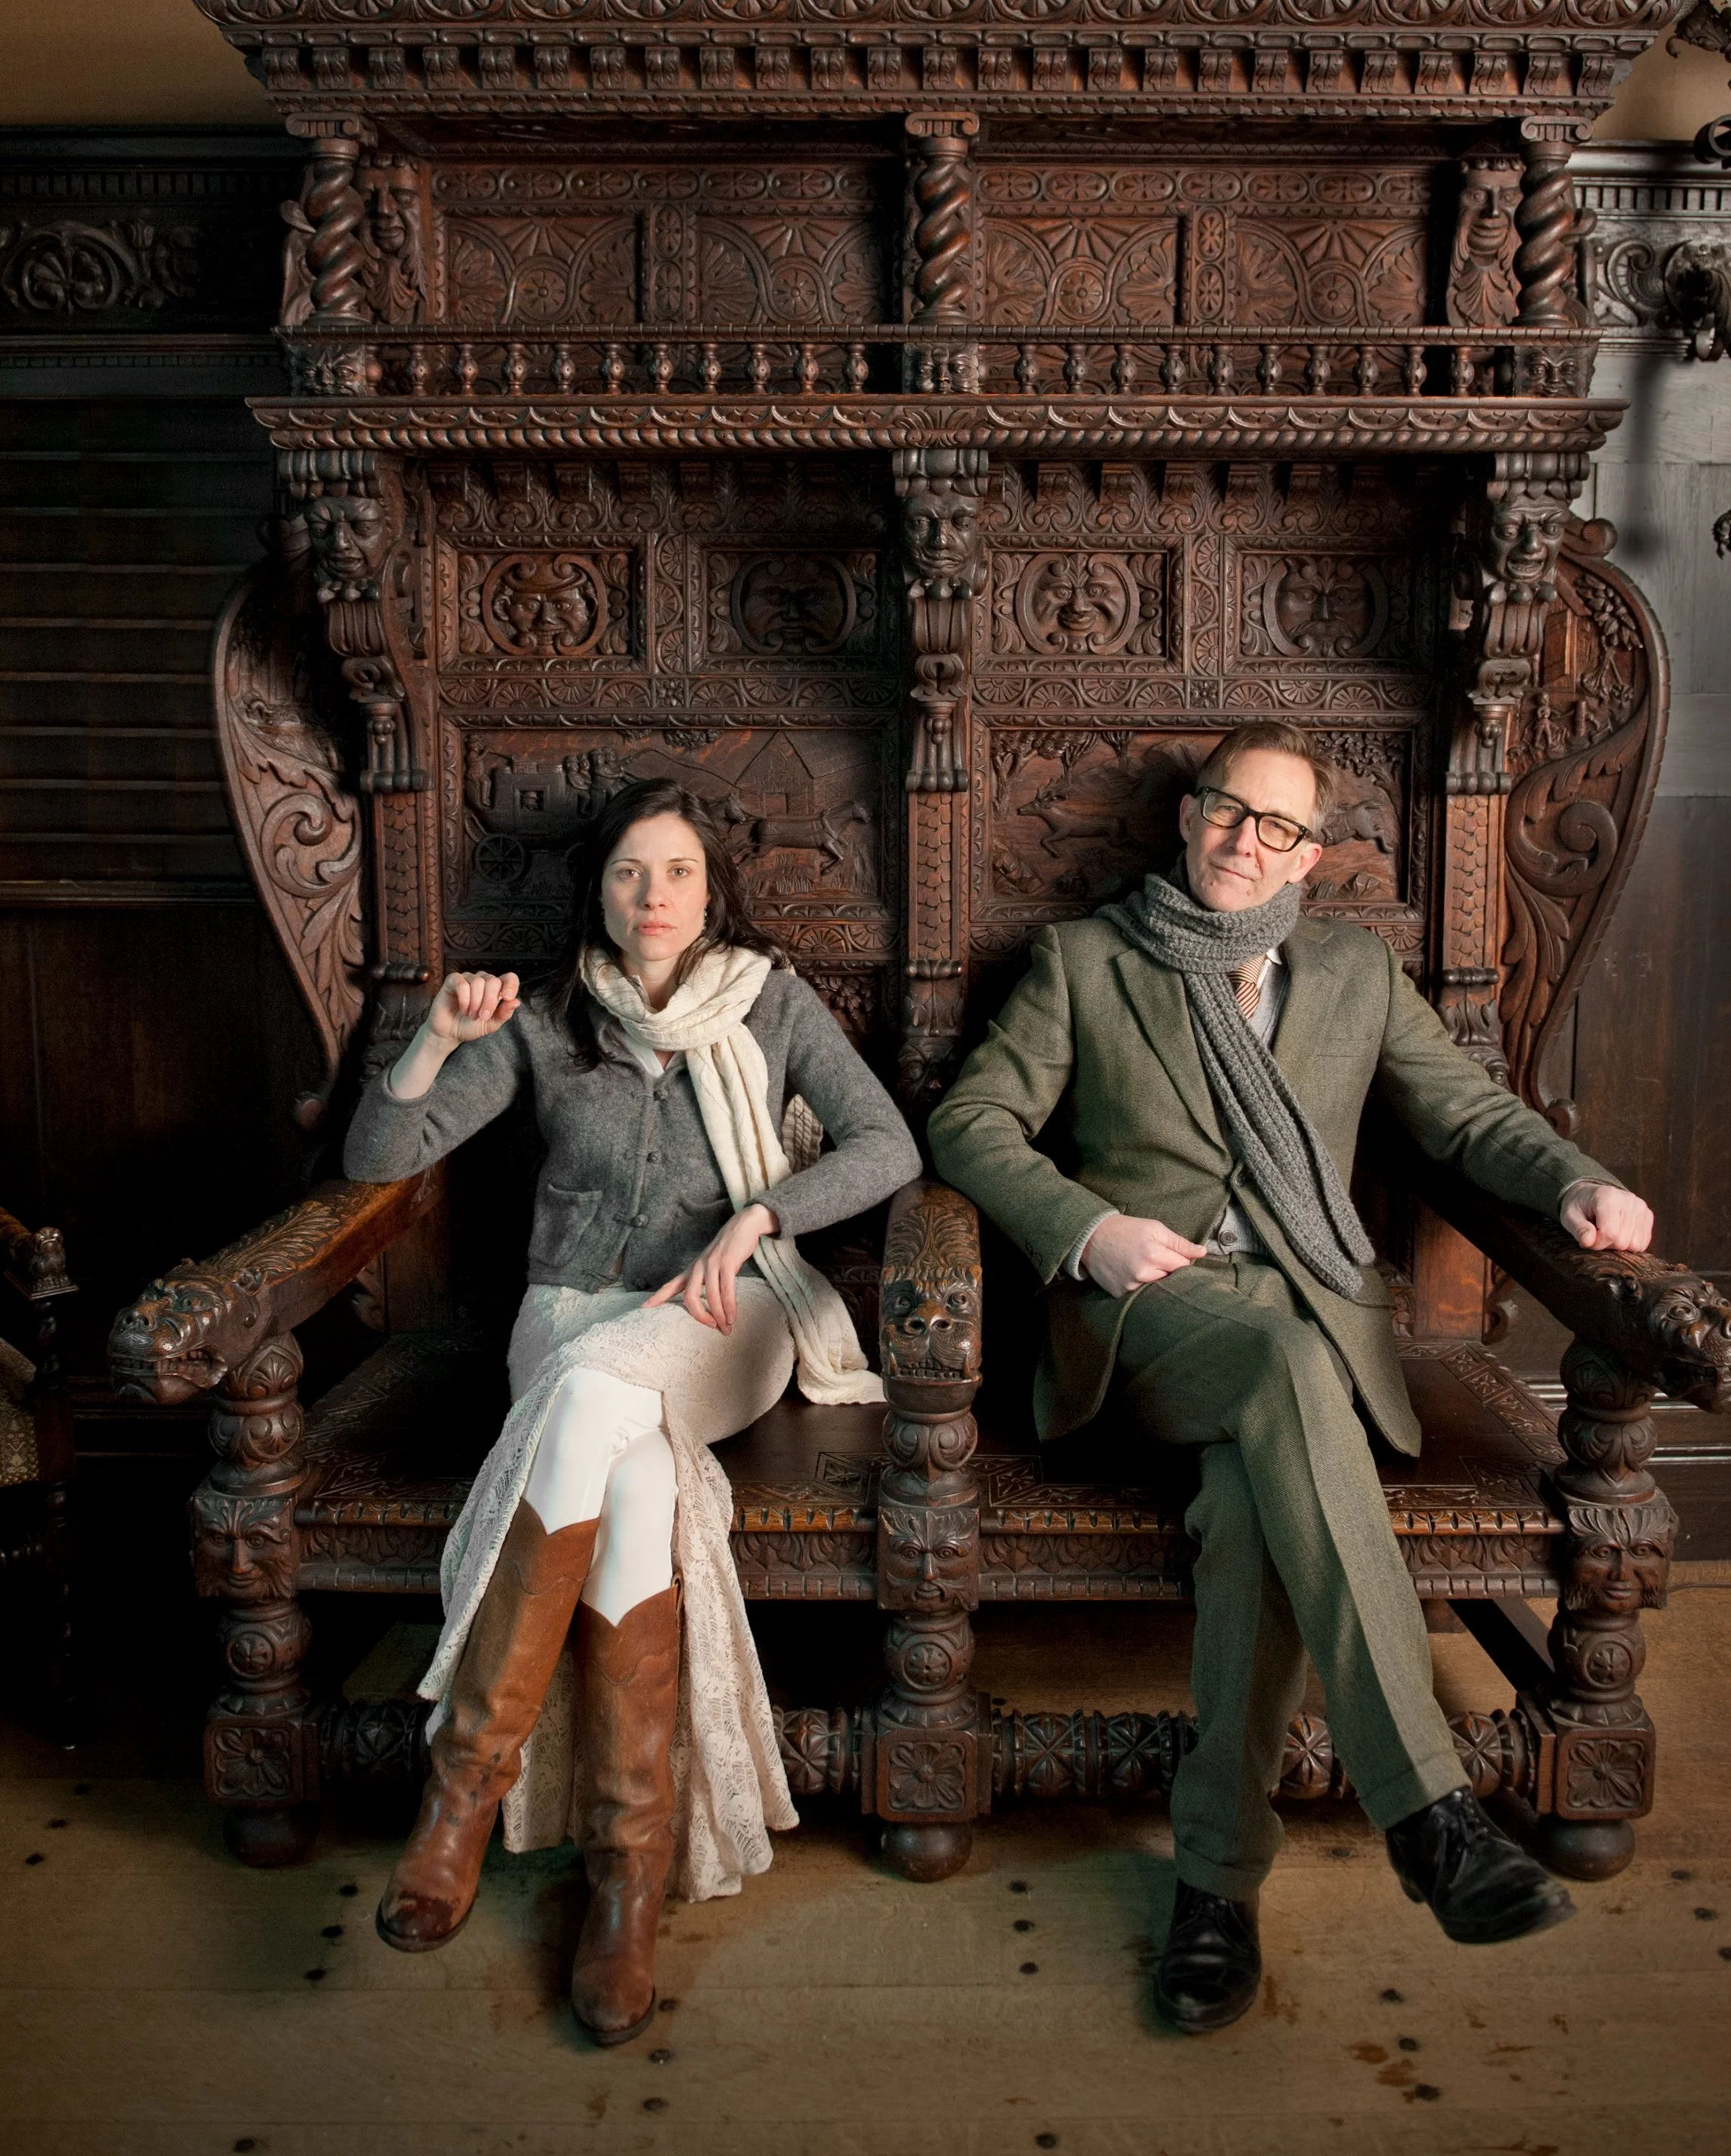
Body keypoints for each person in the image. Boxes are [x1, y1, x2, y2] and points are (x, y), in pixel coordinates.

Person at [926, 720, 1655, 2035]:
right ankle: (1429, 1809)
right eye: (1223, 809)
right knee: (1272, 1353)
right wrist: (1087, 1229)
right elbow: (970, 1121)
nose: (1242, 839)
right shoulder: (1087, 962)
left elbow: (1470, 1114)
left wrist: (1580, 1183)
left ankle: (1215, 1885)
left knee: (1252, 1518)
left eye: (1277, 824)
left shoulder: (1356, 974)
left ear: (1310, 854)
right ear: (1186, 816)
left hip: (1309, 1325)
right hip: (1153, 1318)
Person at [342, 777, 918, 2046]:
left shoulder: (771, 1001)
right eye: (627, 874)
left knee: (598, 1395)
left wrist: (761, 1215)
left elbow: (888, 1148)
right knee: (634, 1488)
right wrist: (434, 1038)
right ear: (594, 892)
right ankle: (625, 1876)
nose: (651, 897)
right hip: (567, 1313)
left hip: (730, 1315)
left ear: (714, 891)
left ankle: (458, 1797)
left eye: (676, 874)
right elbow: (378, 1162)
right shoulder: (549, 1017)